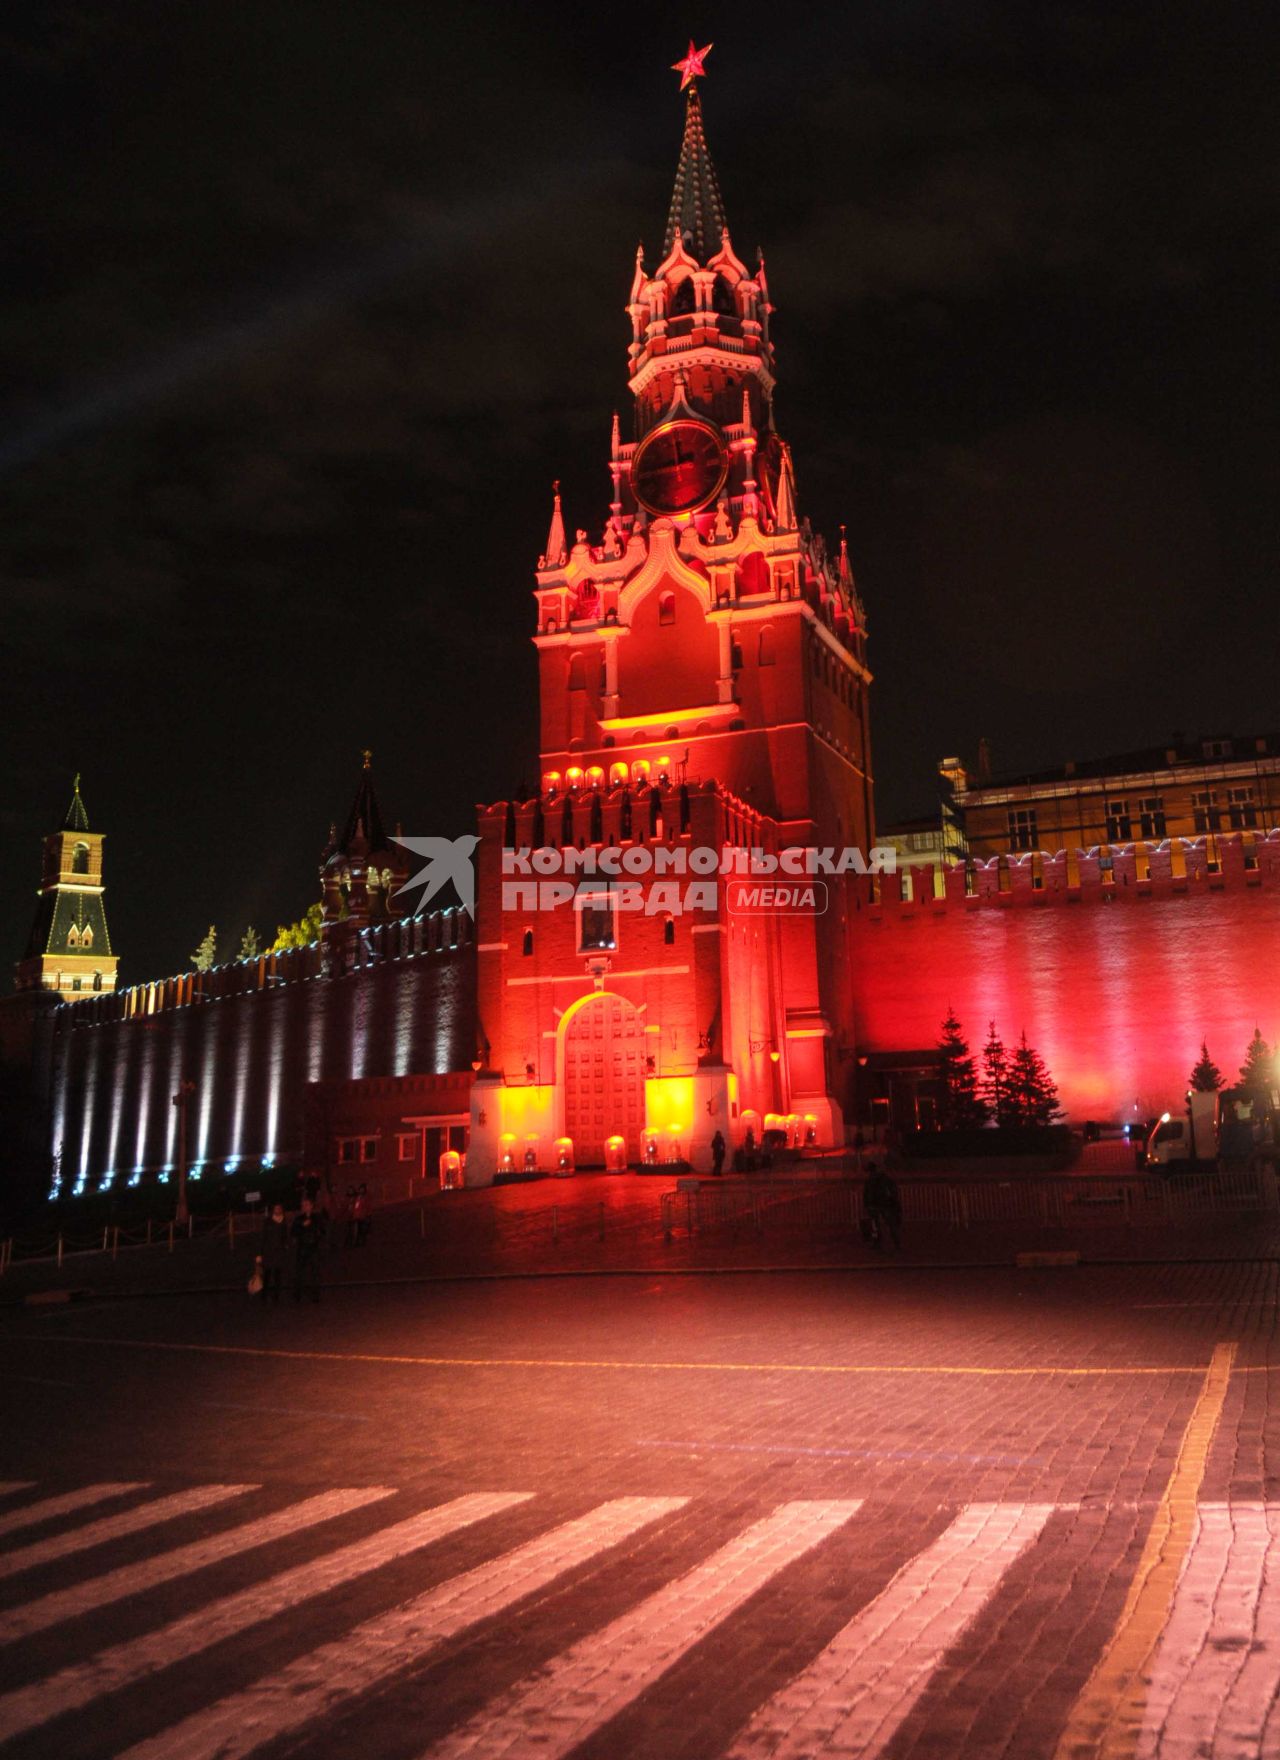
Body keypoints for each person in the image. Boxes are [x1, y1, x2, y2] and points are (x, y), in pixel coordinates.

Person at [291, 1197, 326, 1302]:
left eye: (306, 1205)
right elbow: (293, 1232)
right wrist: (302, 1225)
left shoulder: (317, 1218)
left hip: (314, 1248)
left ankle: (315, 1295)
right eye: (303, 1205)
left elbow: (323, 1231)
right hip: (302, 1248)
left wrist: (318, 1235)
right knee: (300, 1272)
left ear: (311, 1206)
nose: (304, 1207)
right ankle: (297, 1295)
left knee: (315, 1272)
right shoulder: (298, 1219)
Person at [862, 1163, 902, 1251]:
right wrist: (893, 1198)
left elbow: (866, 1193)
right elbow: (892, 1186)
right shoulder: (883, 1177)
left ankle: (878, 1244)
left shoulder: (870, 1180)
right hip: (883, 1203)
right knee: (890, 1224)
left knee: (875, 1226)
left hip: (874, 1205)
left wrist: (866, 1205)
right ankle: (896, 1243)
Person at [259, 1202, 288, 1303]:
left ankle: (276, 1296)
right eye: (276, 1208)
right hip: (268, 1252)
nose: (278, 1210)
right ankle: (264, 1296)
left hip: (279, 1252)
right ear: (273, 1210)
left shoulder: (284, 1221)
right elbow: (263, 1237)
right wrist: (259, 1253)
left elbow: (285, 1236)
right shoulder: (267, 1221)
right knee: (267, 1275)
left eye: (279, 1208)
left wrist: (286, 1246)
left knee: (277, 1276)